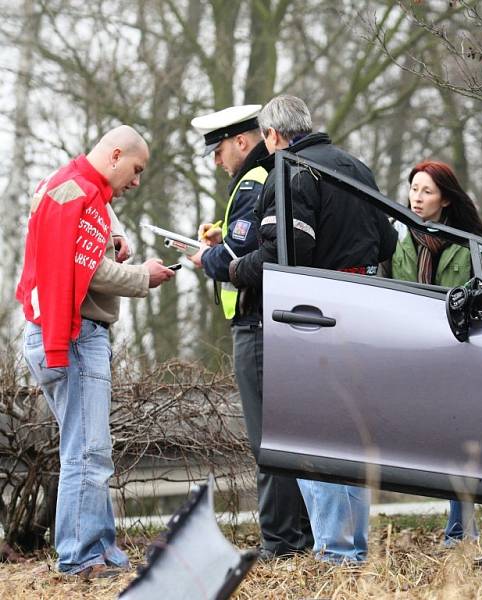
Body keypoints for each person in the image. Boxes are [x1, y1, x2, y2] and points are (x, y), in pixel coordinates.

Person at [228, 95, 397, 563]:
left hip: (318, 315)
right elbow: (387, 239)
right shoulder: (355, 167)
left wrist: (236, 269)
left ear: (274, 136)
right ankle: (352, 547)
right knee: (348, 437)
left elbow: (287, 251)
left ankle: (334, 550)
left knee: (311, 437)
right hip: (366, 307)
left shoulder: (289, 171)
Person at [16, 126, 176, 579]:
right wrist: (143, 276)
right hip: (74, 335)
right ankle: (81, 558)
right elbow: (81, 267)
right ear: (116, 155)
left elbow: (77, 250)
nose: (136, 181)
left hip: (59, 330)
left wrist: (112, 238)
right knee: (87, 452)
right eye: (136, 170)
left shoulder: (68, 186)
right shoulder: (78, 192)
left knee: (88, 448)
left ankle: (101, 549)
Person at [188, 105, 313, 560]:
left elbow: (241, 257)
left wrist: (207, 258)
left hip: (257, 324)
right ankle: (297, 535)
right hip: (271, 320)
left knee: (268, 439)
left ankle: (282, 542)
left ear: (243, 141)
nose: (219, 160)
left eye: (219, 150)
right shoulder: (270, 174)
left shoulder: (254, 179)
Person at [382, 160, 482, 546]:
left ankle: (460, 532)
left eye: (427, 192)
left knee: (461, 438)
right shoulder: (396, 238)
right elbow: (381, 287)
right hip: (411, 353)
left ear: (445, 200)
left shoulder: (473, 242)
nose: (416, 198)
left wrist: (474, 304)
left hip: (460, 353)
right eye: (414, 189)